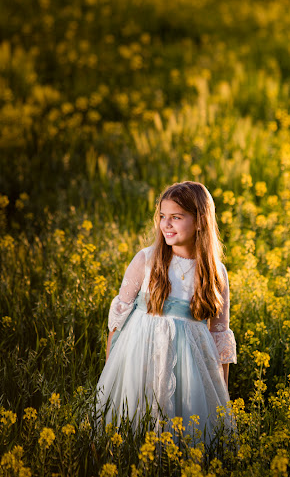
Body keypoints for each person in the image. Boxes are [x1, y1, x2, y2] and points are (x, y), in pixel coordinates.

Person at [96, 181, 237, 440]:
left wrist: (221, 394)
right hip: (139, 360)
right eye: (162, 216)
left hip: (190, 369)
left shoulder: (216, 273)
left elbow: (220, 339)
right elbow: (117, 323)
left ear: (200, 221)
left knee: (185, 431)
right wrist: (111, 374)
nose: (166, 224)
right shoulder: (146, 260)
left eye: (176, 217)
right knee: (134, 424)